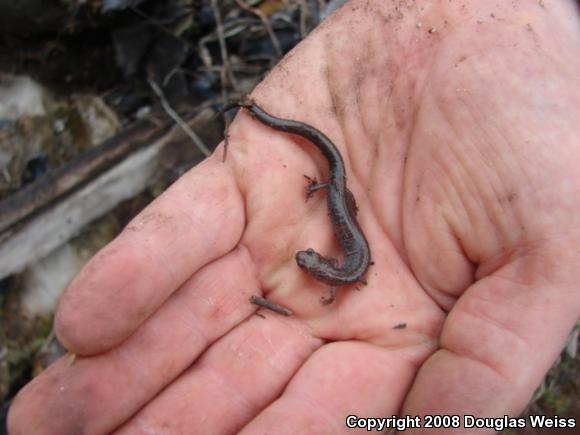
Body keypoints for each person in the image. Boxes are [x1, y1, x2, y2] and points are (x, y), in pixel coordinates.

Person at [8, 0, 580, 433]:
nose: (308, 261)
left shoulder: (340, 274)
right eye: (312, 261)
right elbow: (356, 266)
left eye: (309, 261)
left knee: (334, 188)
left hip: (337, 190)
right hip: (336, 189)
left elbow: (355, 268)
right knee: (330, 178)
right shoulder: (342, 272)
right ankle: (275, 127)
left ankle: (283, 137)